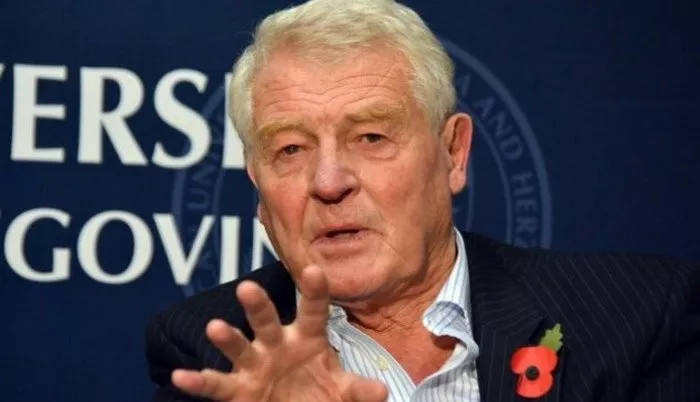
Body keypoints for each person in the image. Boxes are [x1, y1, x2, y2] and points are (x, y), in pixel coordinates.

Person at [144, 0, 700, 400]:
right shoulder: (212, 355)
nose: (329, 182)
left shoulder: (636, 316)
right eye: (290, 148)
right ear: (258, 185)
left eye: (371, 137)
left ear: (453, 153)